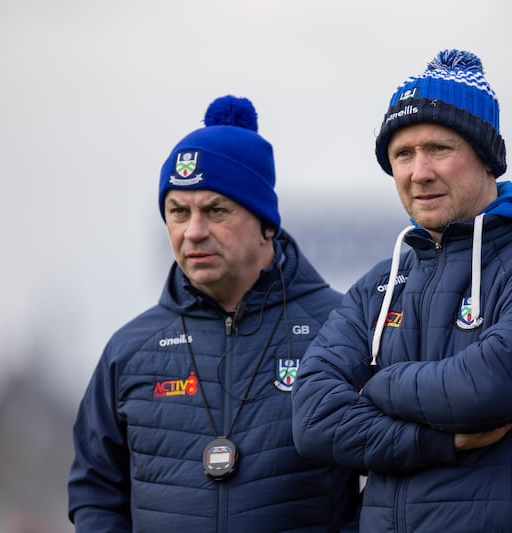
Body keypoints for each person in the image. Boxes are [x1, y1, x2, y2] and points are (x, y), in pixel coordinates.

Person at [291, 49, 512, 532]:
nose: (419, 172)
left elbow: (490, 388)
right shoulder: (380, 283)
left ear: (486, 158)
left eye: (439, 149)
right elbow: (312, 418)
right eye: (403, 154)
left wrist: (374, 385)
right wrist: (436, 441)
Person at [68, 95, 360, 532]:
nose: (194, 231)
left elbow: (391, 480)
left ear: (266, 223)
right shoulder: (128, 352)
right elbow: (95, 491)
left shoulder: (343, 328)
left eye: (216, 210)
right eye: (178, 212)